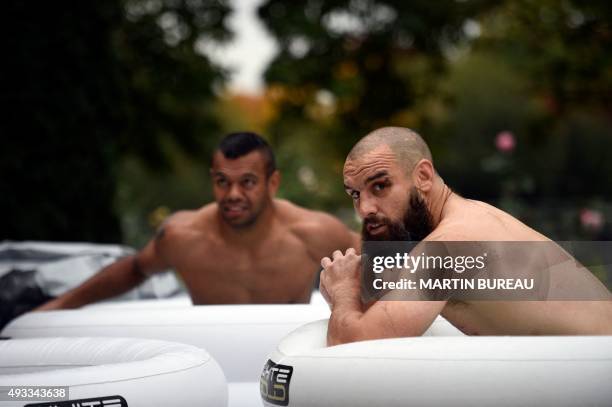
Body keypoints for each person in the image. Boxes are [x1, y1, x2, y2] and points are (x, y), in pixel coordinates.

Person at [320, 127, 612, 345]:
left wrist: (343, 290)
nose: (364, 208)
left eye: (380, 186)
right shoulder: (468, 219)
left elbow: (353, 349)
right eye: (355, 194)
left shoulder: (448, 247)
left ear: (422, 177)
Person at [38, 132, 359, 309]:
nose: (232, 194)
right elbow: (136, 268)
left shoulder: (313, 233)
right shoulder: (184, 236)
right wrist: (61, 305)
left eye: (247, 182)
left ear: (272, 183)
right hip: (209, 356)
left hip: (285, 360)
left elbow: (382, 256)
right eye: (222, 181)